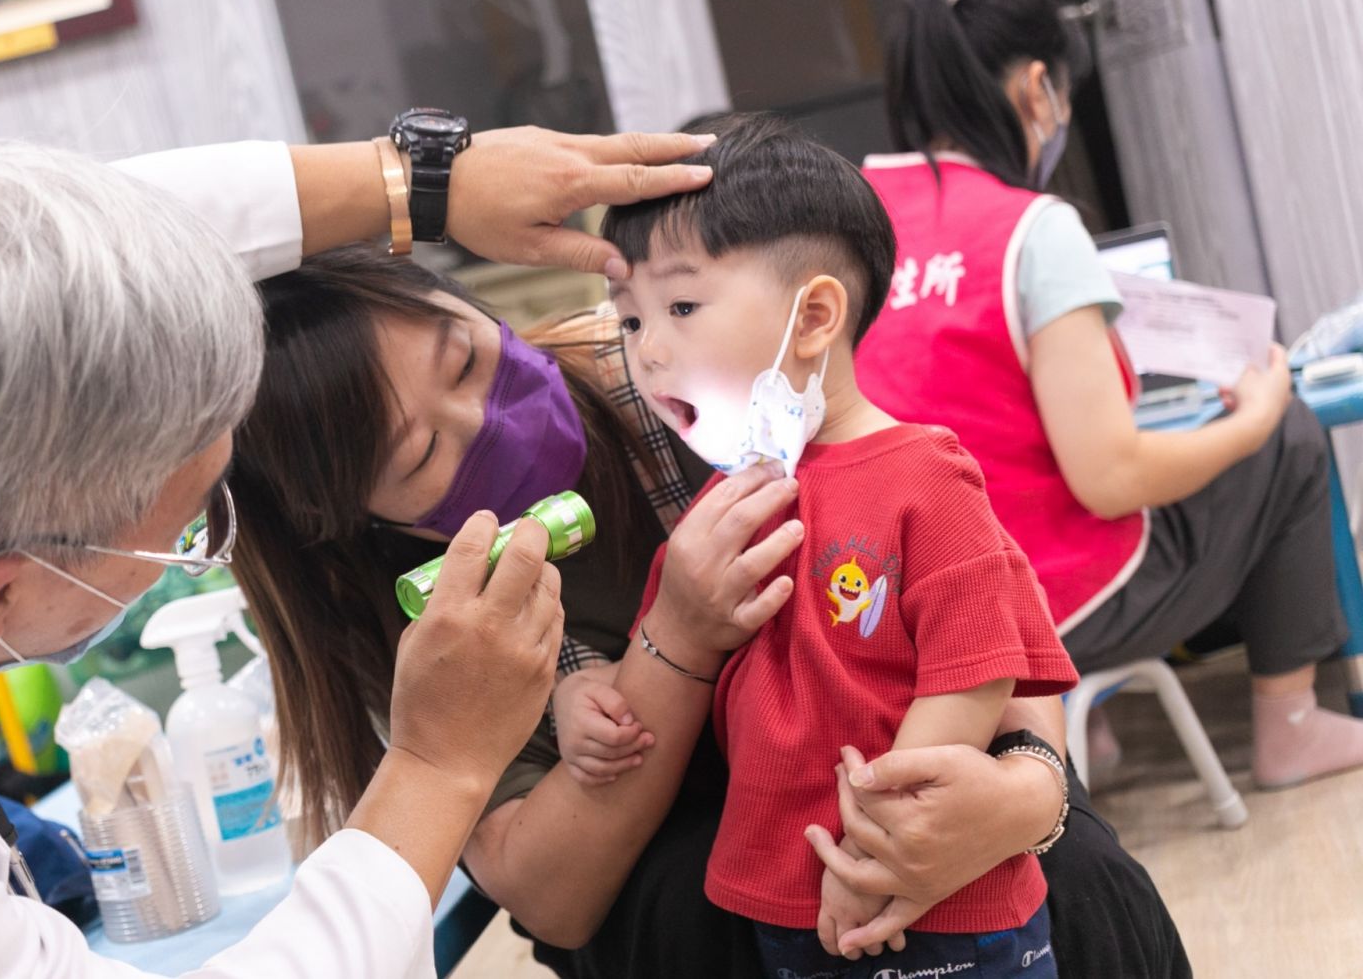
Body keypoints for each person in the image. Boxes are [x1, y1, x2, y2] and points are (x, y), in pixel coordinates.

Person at [0, 124, 721, 979]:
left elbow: (24, 259)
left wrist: (418, 182)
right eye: (188, 535)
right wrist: (436, 762)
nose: (478, 420)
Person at [226, 252, 1187, 971]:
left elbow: (969, 592)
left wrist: (1029, 792)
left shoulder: (674, 378)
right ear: (351, 515)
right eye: (423, 451)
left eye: (468, 356)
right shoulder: (394, 611)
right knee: (715, 912)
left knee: (1080, 875)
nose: (487, 418)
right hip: (672, 878)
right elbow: (552, 894)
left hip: (880, 758)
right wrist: (678, 638)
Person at [587, 113, 1078, 977]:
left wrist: (875, 849)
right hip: (794, 913)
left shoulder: (927, 474)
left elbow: (974, 673)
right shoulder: (720, 508)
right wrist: (589, 701)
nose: (648, 351)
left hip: (936, 911)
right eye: (629, 321)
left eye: (681, 305)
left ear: (814, 314)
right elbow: (669, 681)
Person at [857, 0, 1363, 792]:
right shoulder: (1034, 230)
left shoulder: (855, 212)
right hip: (1041, 616)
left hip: (894, 623)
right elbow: (1110, 476)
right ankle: (1292, 726)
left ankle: (1088, 726)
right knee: (1290, 437)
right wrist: (1254, 417)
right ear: (1036, 89)